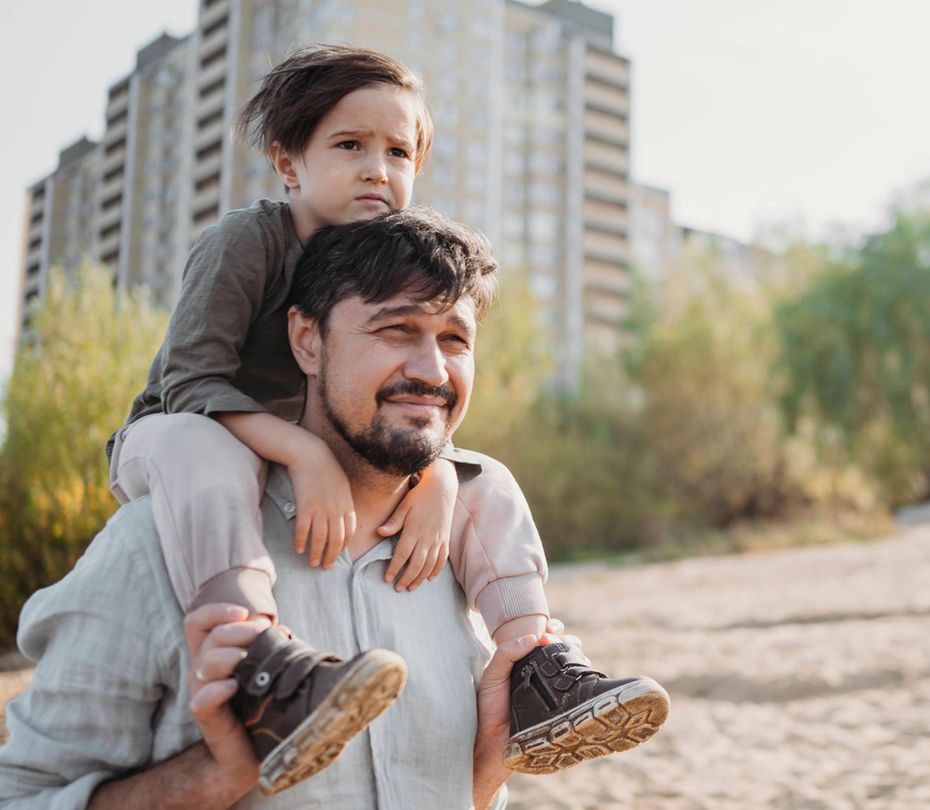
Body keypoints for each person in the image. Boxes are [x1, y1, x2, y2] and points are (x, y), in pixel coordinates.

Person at [100, 44, 667, 790]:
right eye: (349, 145)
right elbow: (188, 381)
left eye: (400, 152)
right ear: (288, 160)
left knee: (485, 477)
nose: (378, 169)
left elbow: (416, 394)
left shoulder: (382, 260)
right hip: (175, 435)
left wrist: (435, 476)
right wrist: (306, 458)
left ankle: (536, 668)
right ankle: (257, 659)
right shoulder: (248, 241)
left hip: (280, 442)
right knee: (206, 450)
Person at [0, 208, 666, 808]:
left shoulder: (472, 557)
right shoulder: (157, 545)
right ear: (307, 342)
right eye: (397, 329)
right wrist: (215, 777)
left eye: (454, 340)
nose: (431, 369)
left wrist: (487, 769)